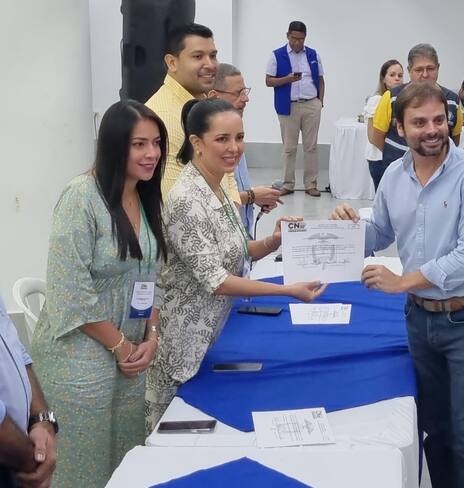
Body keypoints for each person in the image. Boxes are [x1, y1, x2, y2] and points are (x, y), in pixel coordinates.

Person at [331, 82, 464, 488]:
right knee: (436, 431)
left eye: (439, 120)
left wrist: (402, 281)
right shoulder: (394, 175)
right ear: (400, 128)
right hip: (420, 321)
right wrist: (347, 229)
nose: (432, 130)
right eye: (420, 122)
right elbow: (380, 231)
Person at [145, 99, 328, 432]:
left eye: (240, 137)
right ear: (197, 142)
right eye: (222, 139)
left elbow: (238, 251)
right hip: (183, 346)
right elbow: (217, 280)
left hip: (213, 336)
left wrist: (274, 240)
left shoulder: (217, 186)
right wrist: (287, 290)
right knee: (174, 438)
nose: (234, 148)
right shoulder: (186, 199)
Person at [30, 100, 168, 487]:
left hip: (131, 354)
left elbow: (153, 275)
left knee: (126, 463)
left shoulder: (144, 195)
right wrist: (120, 345)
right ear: (113, 146)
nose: (152, 153)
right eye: (139, 144)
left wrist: (151, 338)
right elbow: (71, 290)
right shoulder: (81, 197)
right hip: (81, 357)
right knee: (83, 471)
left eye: (156, 143)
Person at [146, 23, 239, 202]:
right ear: (172, 62)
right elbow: (175, 202)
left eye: (213, 56)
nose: (210, 65)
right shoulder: (162, 117)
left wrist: (233, 212)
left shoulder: (205, 106)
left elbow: (227, 176)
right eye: (198, 56)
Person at [209, 63, 283, 237]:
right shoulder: (207, 147)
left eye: (245, 92)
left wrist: (257, 195)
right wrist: (251, 196)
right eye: (238, 93)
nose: (245, 99)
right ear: (214, 96)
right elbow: (211, 202)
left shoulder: (235, 134)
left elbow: (233, 188)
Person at [371, 43, 463, 170]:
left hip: (439, 171)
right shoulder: (391, 97)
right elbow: (376, 137)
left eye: (430, 69)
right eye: (419, 70)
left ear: (438, 68)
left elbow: (454, 139)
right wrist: (399, 156)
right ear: (409, 70)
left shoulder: (453, 100)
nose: (425, 74)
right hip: (398, 168)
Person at [1, 297, 57, 488]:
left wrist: (41, 420)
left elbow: (16, 349)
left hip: (17, 447)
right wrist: (31, 462)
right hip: (13, 454)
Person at [265, 20, 324, 197]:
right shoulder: (276, 55)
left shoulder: (313, 54)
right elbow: (268, 81)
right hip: (288, 106)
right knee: (289, 148)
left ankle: (311, 184)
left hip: (311, 104)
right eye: (294, 38)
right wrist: (288, 79)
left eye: (301, 39)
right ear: (288, 36)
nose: (297, 42)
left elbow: (321, 79)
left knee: (311, 147)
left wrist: (320, 102)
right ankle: (288, 184)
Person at [363, 59, 404, 190]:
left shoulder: (400, 100)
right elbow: (372, 137)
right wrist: (391, 154)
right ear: (383, 79)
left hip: (394, 159)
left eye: (400, 75)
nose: (397, 78)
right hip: (380, 159)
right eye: (392, 75)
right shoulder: (377, 100)